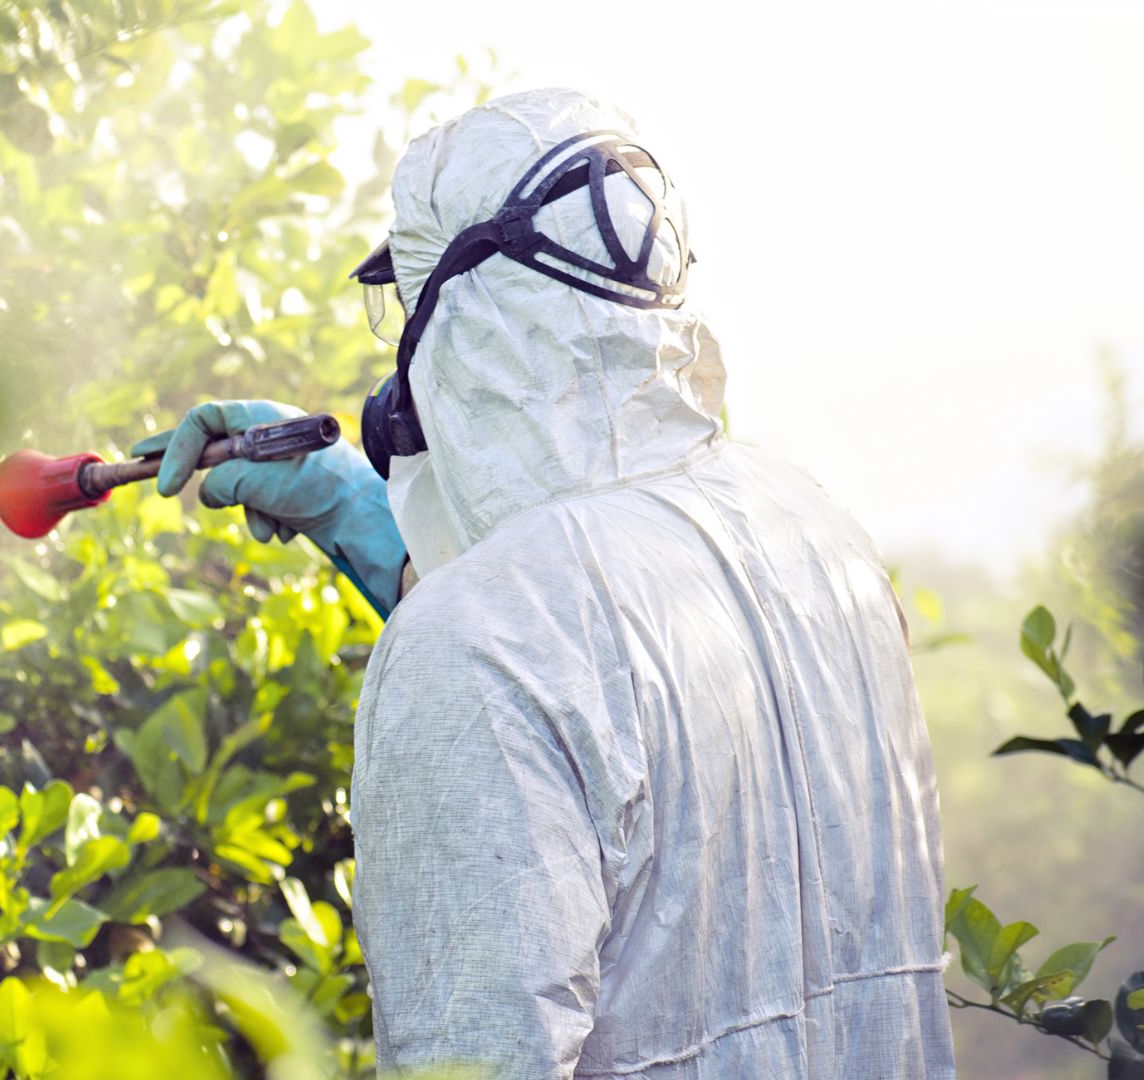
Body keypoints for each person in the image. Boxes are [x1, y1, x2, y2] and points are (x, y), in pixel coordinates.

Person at [138, 87, 955, 1078]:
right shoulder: (817, 536)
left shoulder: (477, 643)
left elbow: (478, 1056)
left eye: (406, 305)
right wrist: (351, 508)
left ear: (466, 320)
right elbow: (610, 689)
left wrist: (430, 600)